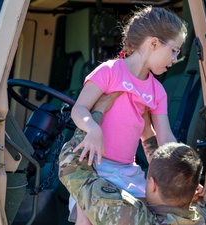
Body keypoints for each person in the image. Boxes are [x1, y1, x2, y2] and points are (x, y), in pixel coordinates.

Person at [70, 5, 187, 224]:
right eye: (174, 50)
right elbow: (78, 109)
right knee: (86, 218)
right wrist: (93, 129)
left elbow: (165, 139)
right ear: (153, 43)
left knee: (148, 214)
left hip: (127, 172)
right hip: (95, 168)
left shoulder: (157, 91)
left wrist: (182, 172)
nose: (175, 59)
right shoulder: (109, 71)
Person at [58, 109, 206, 224]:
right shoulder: (202, 217)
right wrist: (147, 130)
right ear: (194, 190)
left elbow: (71, 166)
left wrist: (96, 114)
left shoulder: (133, 217)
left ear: (153, 184)